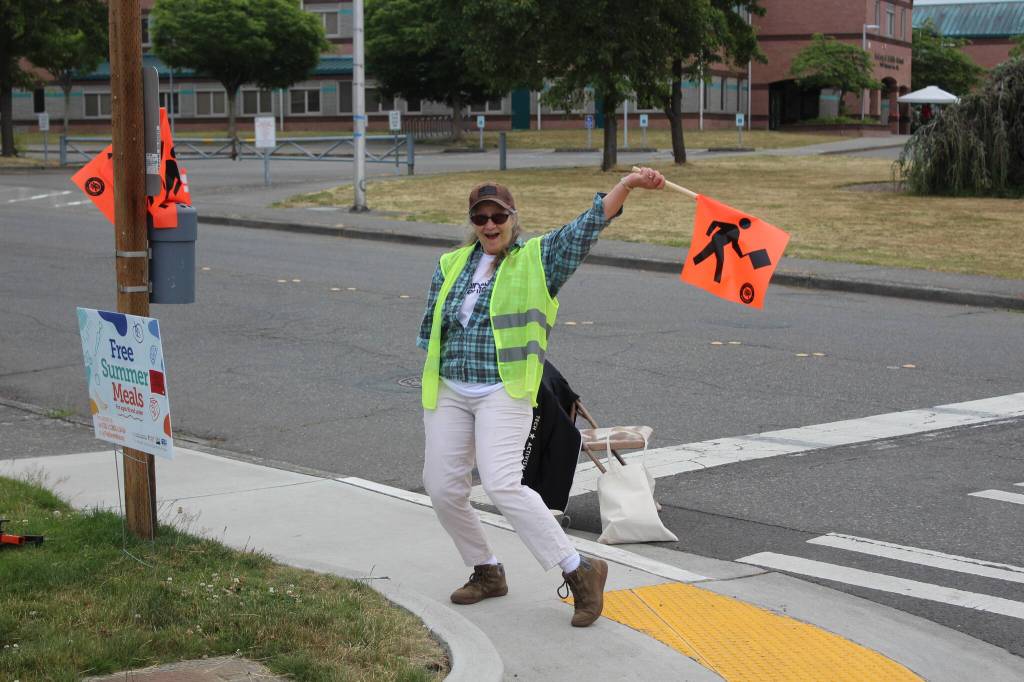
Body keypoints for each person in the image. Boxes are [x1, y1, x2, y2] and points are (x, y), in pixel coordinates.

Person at [416, 167, 665, 627]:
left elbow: (586, 226)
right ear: (471, 221)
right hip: (450, 389)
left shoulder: (538, 258)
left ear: (513, 217)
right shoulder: (451, 265)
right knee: (443, 489)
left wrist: (626, 187)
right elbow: (436, 329)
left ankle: (581, 570)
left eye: (498, 216)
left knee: (504, 483)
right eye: (481, 217)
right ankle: (487, 570)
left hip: (504, 389)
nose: (490, 225)